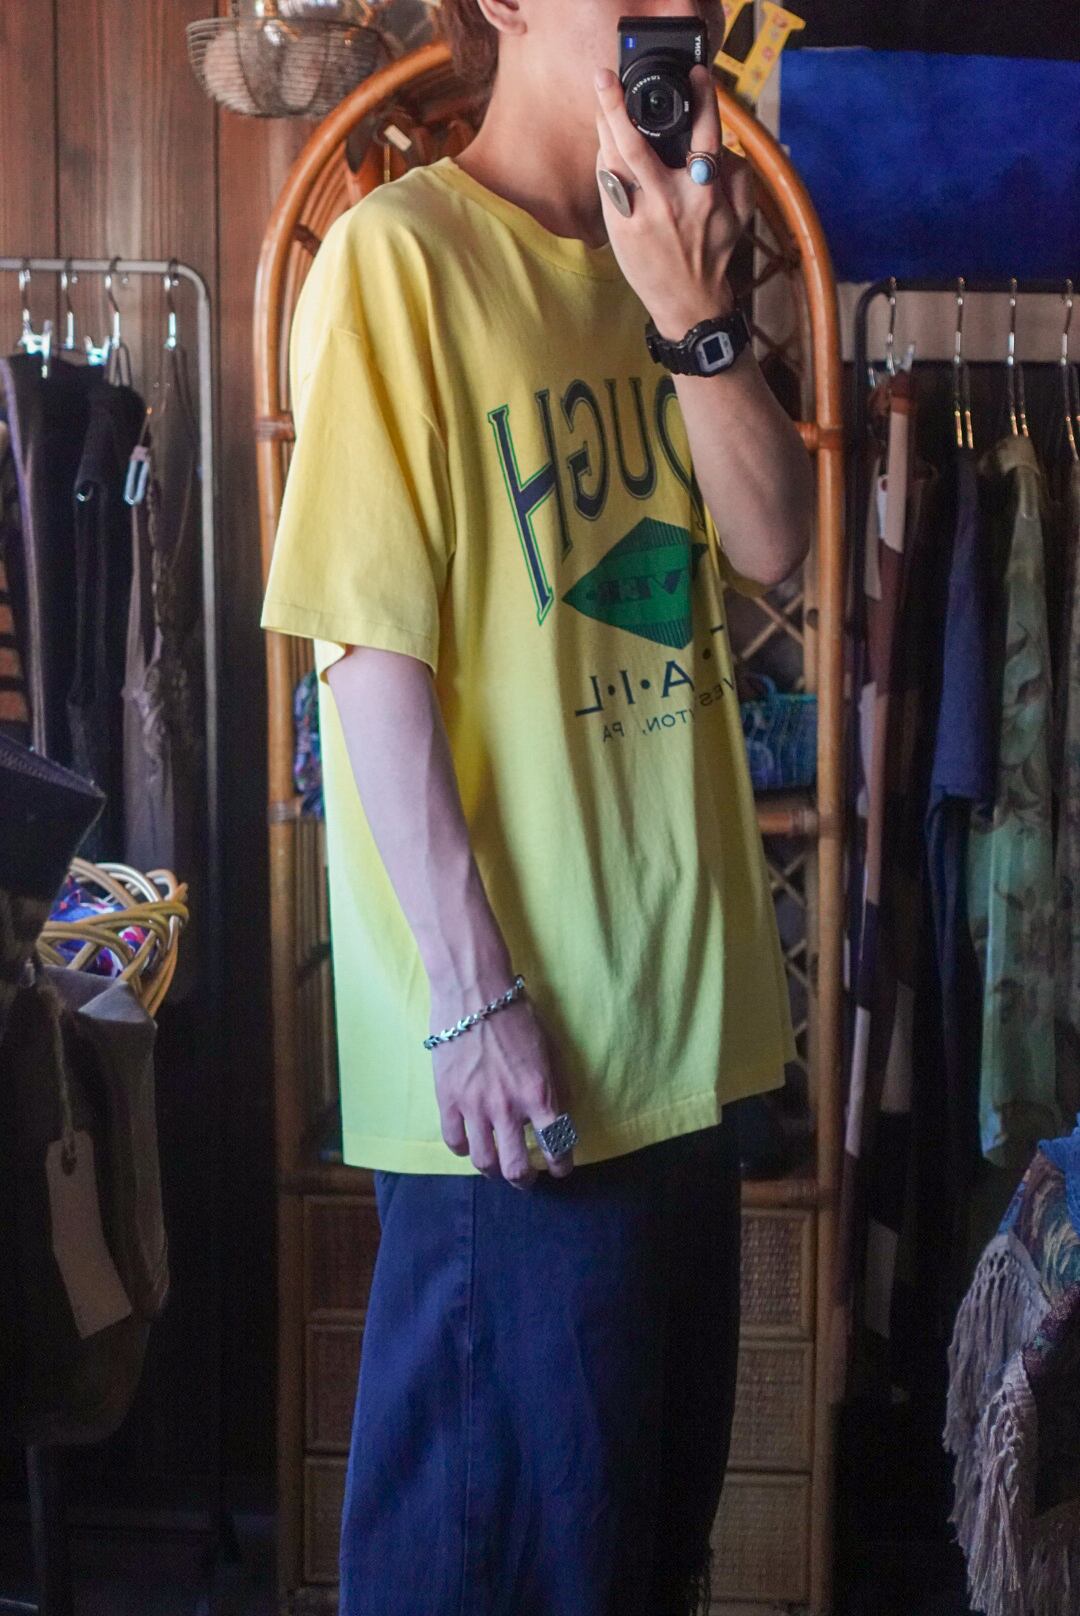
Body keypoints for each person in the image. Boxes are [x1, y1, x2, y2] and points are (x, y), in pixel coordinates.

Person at [260, 1, 812, 1609]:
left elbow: (775, 541)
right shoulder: (401, 258)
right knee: (495, 1573)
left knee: (639, 1572)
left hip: (690, 1050)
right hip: (525, 1085)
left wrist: (694, 313)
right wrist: (471, 997)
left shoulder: (668, 262)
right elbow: (367, 655)